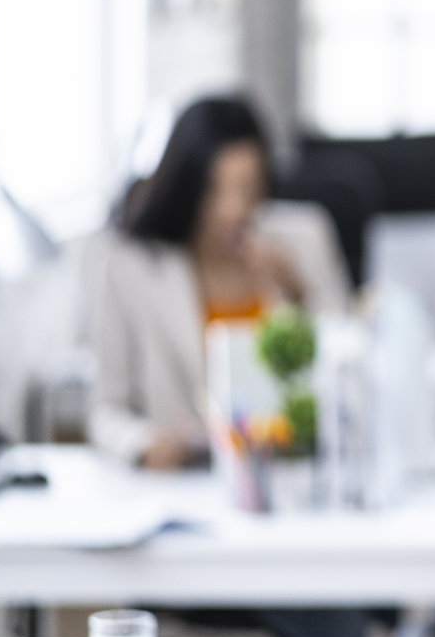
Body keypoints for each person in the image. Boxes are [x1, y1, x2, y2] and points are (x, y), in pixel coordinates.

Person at [89, 95, 349, 468]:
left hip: (291, 474)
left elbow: (348, 368)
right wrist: (145, 444)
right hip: (189, 483)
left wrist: (297, 290)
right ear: (187, 189)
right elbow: (106, 411)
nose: (233, 209)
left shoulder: (304, 240)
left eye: (246, 187)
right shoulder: (131, 267)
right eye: (214, 190)